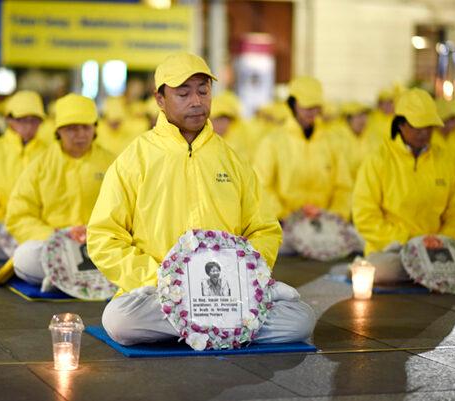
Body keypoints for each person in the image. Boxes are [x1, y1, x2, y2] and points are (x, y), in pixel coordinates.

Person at [88, 52, 315, 346]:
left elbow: (264, 230)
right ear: (160, 100)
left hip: (228, 296)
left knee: (301, 319)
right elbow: (104, 236)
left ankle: (199, 328)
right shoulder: (135, 159)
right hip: (163, 292)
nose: (196, 101)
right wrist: (163, 279)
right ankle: (223, 329)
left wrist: (241, 277)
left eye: (203, 91)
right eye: (183, 93)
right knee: (120, 320)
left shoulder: (232, 160)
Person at [352, 88, 455, 283]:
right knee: (382, 270)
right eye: (418, 127)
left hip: (436, 250)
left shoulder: (444, 161)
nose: (424, 133)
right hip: (394, 250)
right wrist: (410, 240)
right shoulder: (378, 159)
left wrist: (442, 240)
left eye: (429, 127)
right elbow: (365, 216)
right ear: (401, 125)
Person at [5, 93, 114, 285]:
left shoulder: (113, 163)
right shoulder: (41, 165)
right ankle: (87, 280)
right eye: (72, 128)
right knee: (24, 257)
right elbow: (19, 215)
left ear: (95, 128)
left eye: (85, 127)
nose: (80, 134)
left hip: (99, 245)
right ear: (58, 131)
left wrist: (97, 235)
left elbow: (129, 212)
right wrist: (56, 235)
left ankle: (64, 279)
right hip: (56, 245)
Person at [253, 76, 352, 244]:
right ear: (293, 104)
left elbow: (344, 186)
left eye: (316, 107)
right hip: (284, 227)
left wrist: (334, 216)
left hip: (326, 226)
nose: (312, 112)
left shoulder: (332, 142)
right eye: (307, 107)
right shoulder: (273, 142)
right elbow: (260, 186)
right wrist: (284, 215)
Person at [0, 91, 49, 261]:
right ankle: (26, 258)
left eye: (34, 120)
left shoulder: (50, 153)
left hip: (37, 227)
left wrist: (34, 226)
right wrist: (5, 219)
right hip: (0, 223)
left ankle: (24, 257)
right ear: (9, 120)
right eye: (22, 120)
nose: (29, 126)